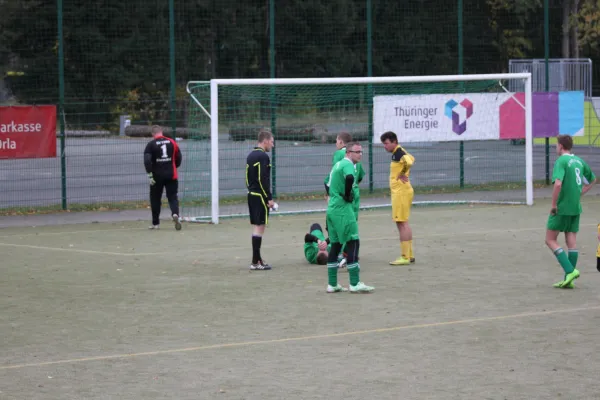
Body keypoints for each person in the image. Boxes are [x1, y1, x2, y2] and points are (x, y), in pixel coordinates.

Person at [545, 134, 596, 288]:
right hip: (575, 207)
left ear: (561, 146)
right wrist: (580, 193)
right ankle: (569, 279)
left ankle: (570, 270)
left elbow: (558, 184)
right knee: (571, 240)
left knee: (550, 239)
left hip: (562, 207)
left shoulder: (561, 161)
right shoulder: (579, 161)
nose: (555, 147)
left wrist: (554, 204)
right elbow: (592, 179)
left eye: (556, 145)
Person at [325, 141, 374, 293]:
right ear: (348, 153)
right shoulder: (347, 165)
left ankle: (332, 284)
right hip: (342, 209)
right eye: (356, 152)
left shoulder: (337, 165)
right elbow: (350, 179)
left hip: (332, 208)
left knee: (336, 245)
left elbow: (327, 183)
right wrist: (347, 194)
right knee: (353, 241)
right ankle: (354, 283)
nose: (360, 154)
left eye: (361, 152)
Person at [380, 131, 415, 265]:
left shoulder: (399, 152)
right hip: (402, 191)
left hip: (401, 192)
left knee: (401, 223)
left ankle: (405, 256)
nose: (385, 146)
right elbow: (412, 158)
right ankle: (409, 255)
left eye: (386, 143)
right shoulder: (399, 151)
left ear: (394, 141)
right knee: (403, 222)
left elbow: (409, 162)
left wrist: (402, 173)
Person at [246, 129, 275, 270]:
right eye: (272, 142)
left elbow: (247, 177)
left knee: (256, 228)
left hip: (251, 194)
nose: (272, 145)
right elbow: (263, 179)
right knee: (259, 228)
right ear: (265, 141)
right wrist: (268, 198)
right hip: (259, 196)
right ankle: (256, 262)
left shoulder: (250, 155)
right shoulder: (263, 157)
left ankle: (255, 260)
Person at [143, 125, 182, 230]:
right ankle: (175, 214)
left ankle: (155, 223)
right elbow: (179, 157)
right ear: (162, 132)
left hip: (157, 176)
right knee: (172, 197)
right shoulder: (172, 142)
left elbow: (147, 161)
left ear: (152, 134)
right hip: (171, 174)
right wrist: (173, 166)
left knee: (155, 198)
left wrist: (150, 174)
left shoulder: (151, 145)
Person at [324, 132, 365, 219]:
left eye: (337, 141)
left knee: (340, 222)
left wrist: (329, 193)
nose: (336, 144)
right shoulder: (357, 156)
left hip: (341, 195)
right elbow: (360, 177)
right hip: (354, 193)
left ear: (341, 142)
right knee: (353, 222)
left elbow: (335, 173)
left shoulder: (339, 154)